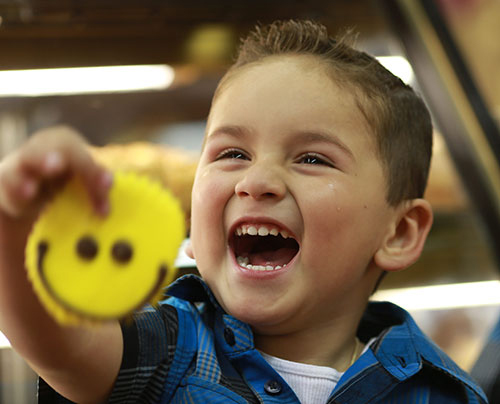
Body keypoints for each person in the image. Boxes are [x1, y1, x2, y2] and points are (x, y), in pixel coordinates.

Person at [0, 20, 488, 404]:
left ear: (399, 232)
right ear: (191, 225)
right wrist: (14, 220)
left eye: (312, 159)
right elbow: (58, 342)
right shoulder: (165, 351)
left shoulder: (444, 392)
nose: (255, 182)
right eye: (232, 154)